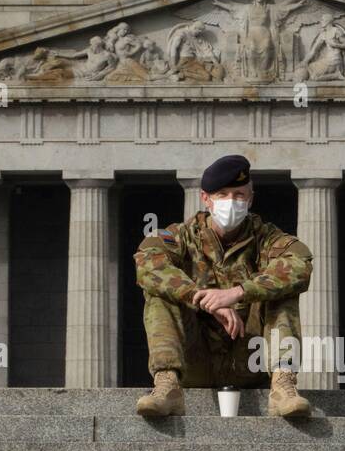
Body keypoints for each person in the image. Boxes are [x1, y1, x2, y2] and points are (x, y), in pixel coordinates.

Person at [134, 154, 313, 418]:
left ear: (250, 199)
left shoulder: (268, 238)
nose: (232, 202)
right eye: (223, 194)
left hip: (250, 357)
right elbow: (148, 264)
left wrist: (237, 293)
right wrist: (201, 299)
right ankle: (166, 384)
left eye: (240, 195)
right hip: (196, 358)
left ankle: (283, 385)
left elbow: (299, 266)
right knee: (160, 293)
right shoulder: (177, 236)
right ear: (206, 199)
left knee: (281, 292)